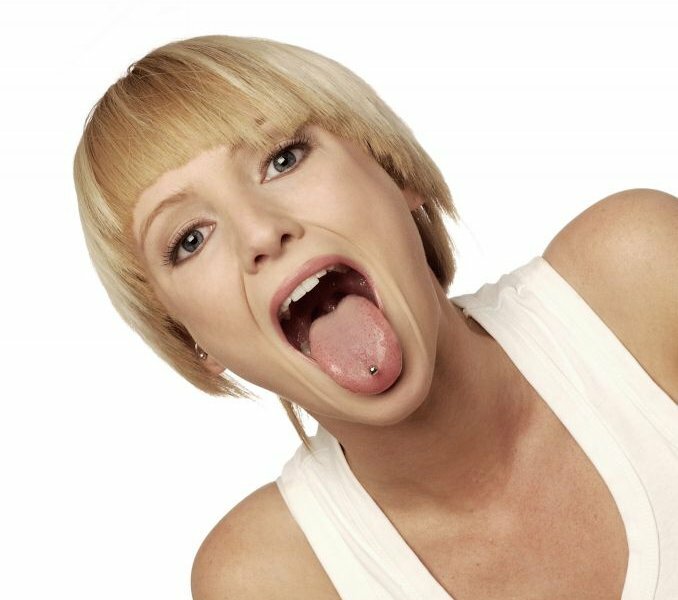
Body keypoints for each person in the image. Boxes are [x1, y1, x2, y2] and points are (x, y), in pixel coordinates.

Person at [73, 34, 678, 599]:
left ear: (393, 172)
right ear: (190, 341)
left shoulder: (636, 278)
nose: (260, 232)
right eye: (190, 239)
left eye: (283, 159)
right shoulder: (269, 577)